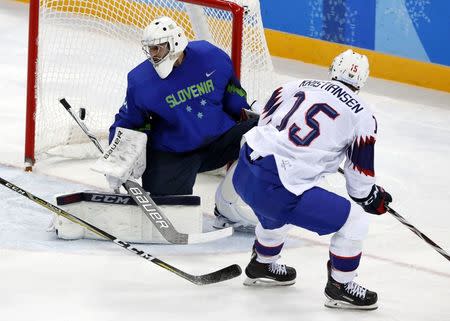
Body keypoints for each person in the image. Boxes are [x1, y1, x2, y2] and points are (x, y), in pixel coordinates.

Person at [232, 49, 393, 310]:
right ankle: (340, 287)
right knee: (354, 220)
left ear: (332, 69)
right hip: (277, 186)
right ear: (361, 81)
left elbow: (265, 123)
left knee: (290, 198)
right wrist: (372, 198)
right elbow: (359, 182)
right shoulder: (363, 114)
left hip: (244, 171)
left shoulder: (292, 85)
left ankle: (262, 262)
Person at [107, 16, 258, 228]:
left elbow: (232, 94)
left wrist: (249, 113)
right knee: (171, 217)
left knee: (267, 134)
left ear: (175, 42)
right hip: (174, 153)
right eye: (149, 49)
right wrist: (117, 157)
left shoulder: (211, 56)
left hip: (219, 141)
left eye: (157, 48)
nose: (152, 55)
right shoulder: (140, 81)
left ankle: (231, 205)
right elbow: (128, 121)